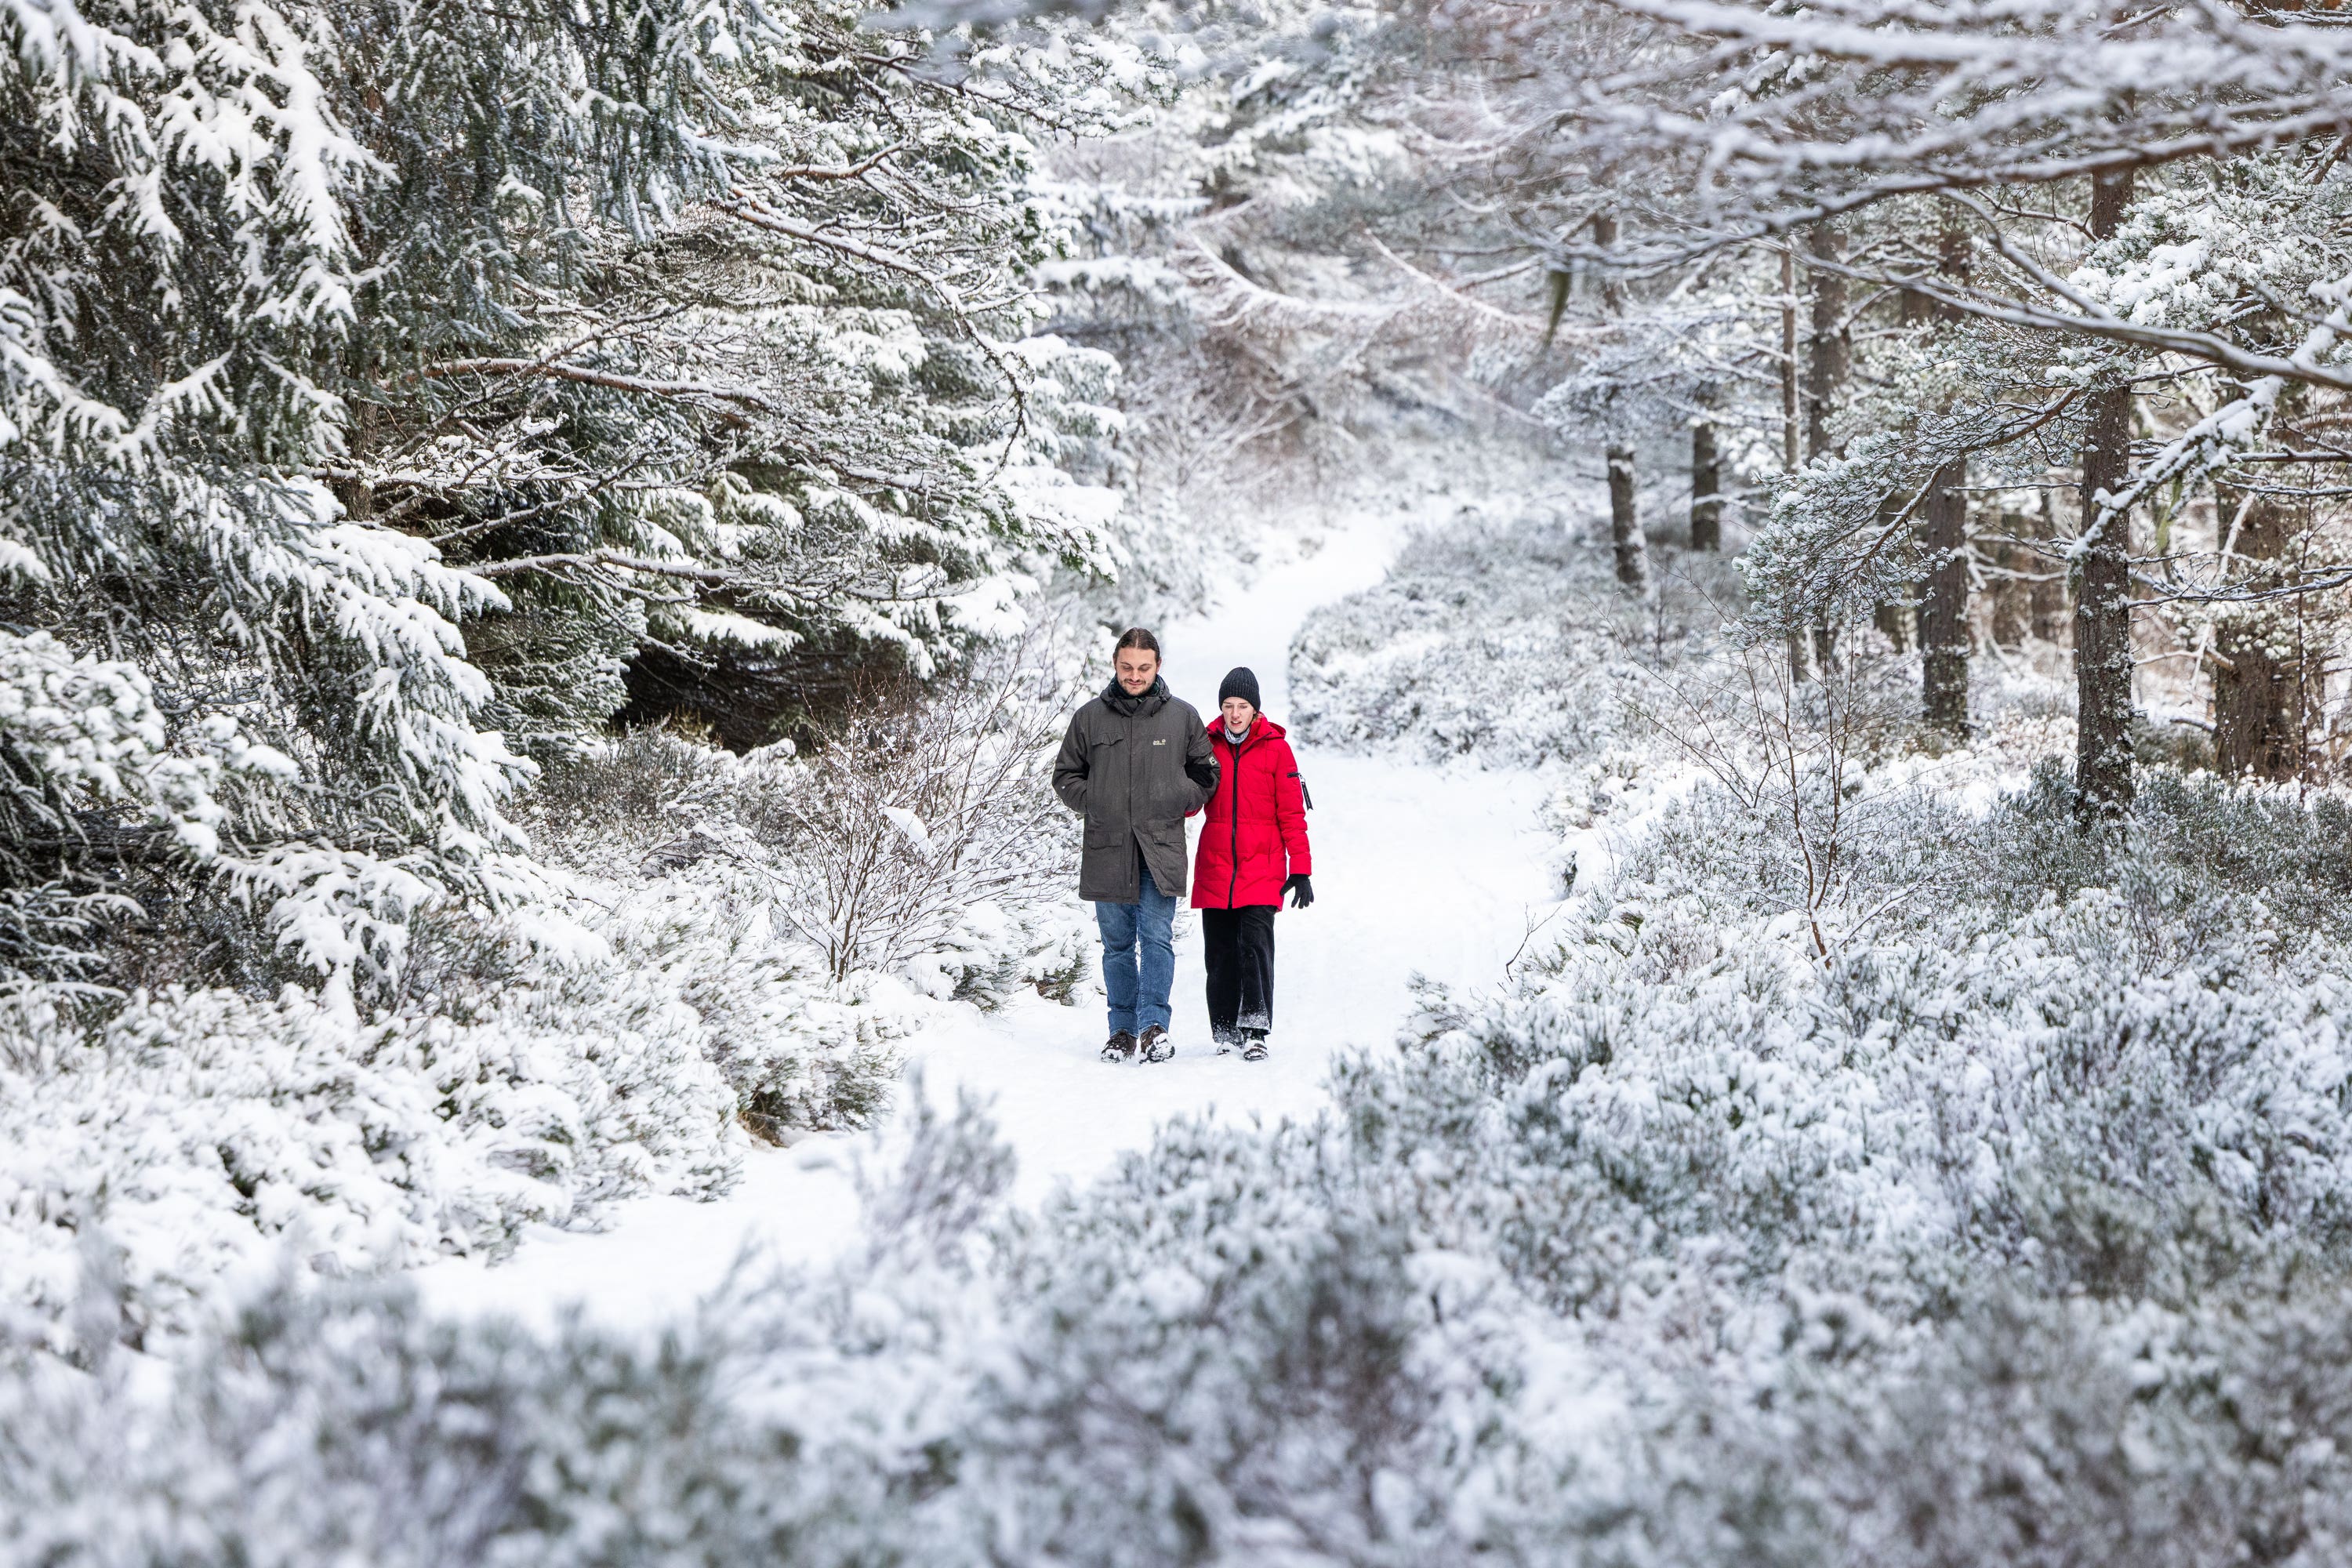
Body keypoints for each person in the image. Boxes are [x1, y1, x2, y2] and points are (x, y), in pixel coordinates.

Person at [1051, 627, 1218, 1064]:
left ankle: (1153, 1028)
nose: (1134, 675)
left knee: (1157, 939)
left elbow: (1207, 773)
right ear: (1115, 664)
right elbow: (1066, 775)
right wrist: (1098, 803)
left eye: (1143, 668)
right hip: (1108, 847)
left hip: (1160, 848)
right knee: (1118, 946)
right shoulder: (1089, 718)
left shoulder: (1182, 717)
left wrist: (1178, 797)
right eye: (1127, 667)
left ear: (1158, 667)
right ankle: (1121, 1031)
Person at [1189, 666, 1312, 1062]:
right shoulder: (1206, 745)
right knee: (1220, 953)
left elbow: (1293, 814)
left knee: (1255, 948)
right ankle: (1225, 1031)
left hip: (1263, 866)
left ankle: (1255, 1029)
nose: (1235, 713)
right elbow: (1190, 805)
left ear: (1255, 709)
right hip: (1217, 865)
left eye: (1242, 706)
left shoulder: (1277, 749)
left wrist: (1302, 868)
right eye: (1228, 705)